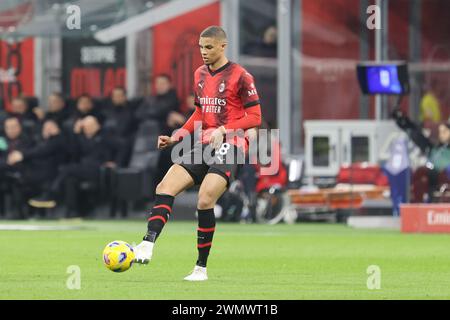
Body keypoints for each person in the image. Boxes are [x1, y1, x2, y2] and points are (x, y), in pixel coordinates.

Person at [133, 26, 262, 281]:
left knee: (204, 199)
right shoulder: (200, 74)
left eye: (209, 47)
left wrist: (224, 129)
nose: (204, 52)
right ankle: (147, 244)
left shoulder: (241, 76)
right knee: (166, 185)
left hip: (232, 143)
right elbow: (201, 113)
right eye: (201, 47)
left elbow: (255, 117)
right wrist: (178, 135)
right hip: (204, 142)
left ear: (223, 46)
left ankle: (200, 268)